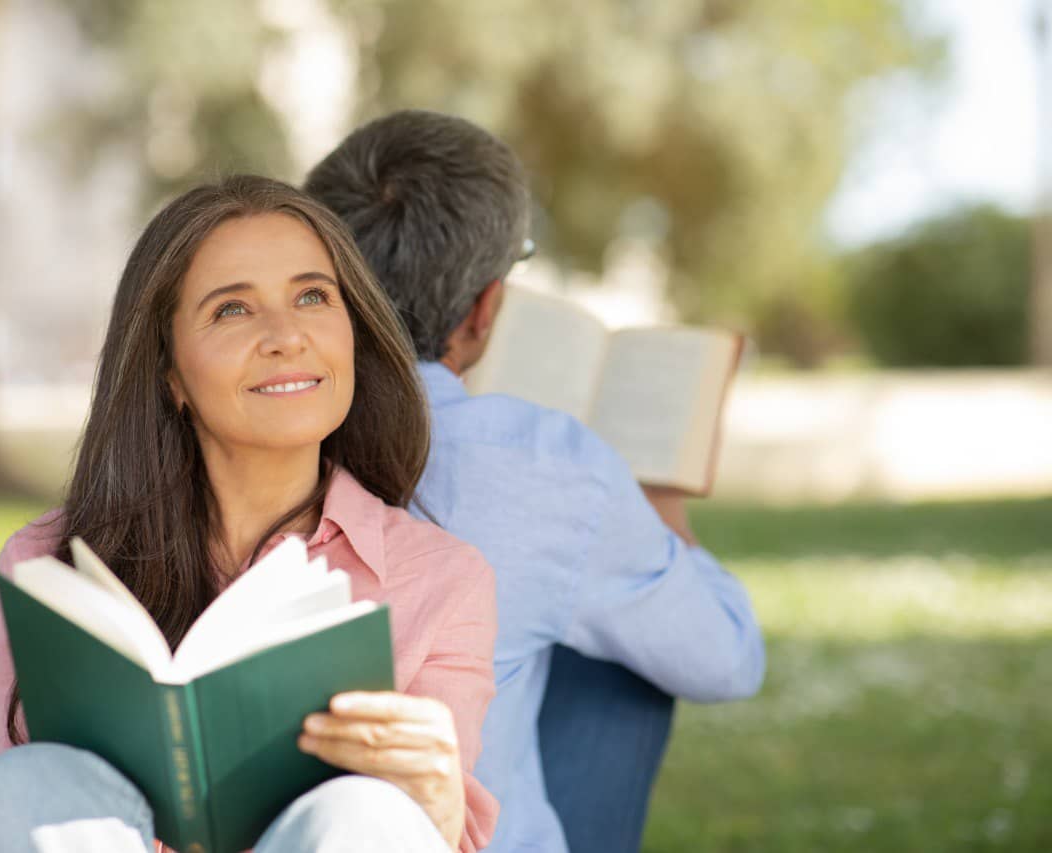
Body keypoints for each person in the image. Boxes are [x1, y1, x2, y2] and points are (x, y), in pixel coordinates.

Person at [0, 175, 499, 853]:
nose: (286, 335)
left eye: (313, 296)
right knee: (23, 783)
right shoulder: (42, 565)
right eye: (233, 309)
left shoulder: (442, 581)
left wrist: (435, 810)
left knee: (370, 814)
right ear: (170, 372)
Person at [306, 110, 766, 853]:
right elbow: (727, 657)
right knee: (619, 644)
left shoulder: (255, 434)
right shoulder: (547, 467)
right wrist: (661, 507)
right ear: (486, 309)